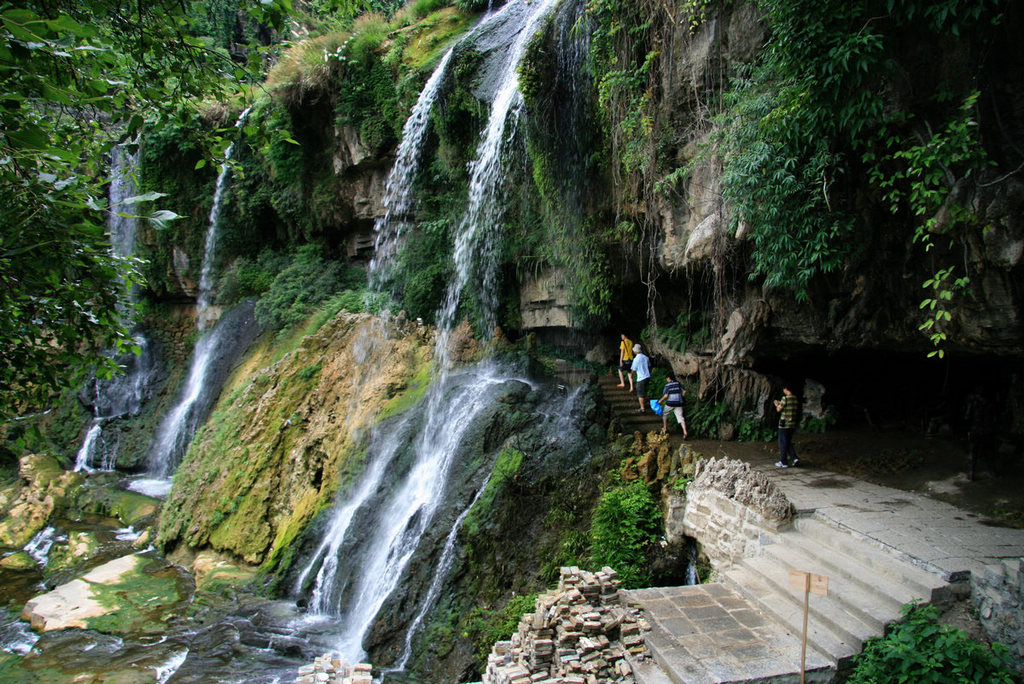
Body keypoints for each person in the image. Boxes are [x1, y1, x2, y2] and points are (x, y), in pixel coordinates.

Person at [964, 386, 996, 481]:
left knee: (974, 451)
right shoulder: (990, 402)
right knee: (988, 451)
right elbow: (994, 418)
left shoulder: (973, 402)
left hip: (976, 429)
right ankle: (991, 471)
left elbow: (967, 416)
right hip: (987, 430)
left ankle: (972, 472)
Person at [773, 383, 800, 467]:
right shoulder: (795, 398)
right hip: (792, 424)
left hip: (784, 425)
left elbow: (779, 409)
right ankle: (794, 458)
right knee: (788, 442)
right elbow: (789, 407)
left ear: (786, 389)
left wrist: (777, 404)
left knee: (782, 442)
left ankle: (783, 462)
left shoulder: (785, 398)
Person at [659, 372, 688, 438]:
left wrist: (660, 401)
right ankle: (685, 432)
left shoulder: (668, 385)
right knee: (680, 417)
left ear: (669, 378)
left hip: (670, 403)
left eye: (667, 378)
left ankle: (665, 428)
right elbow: (685, 391)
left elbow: (666, 395)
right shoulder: (678, 383)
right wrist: (682, 397)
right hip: (679, 403)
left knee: (665, 414)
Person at [630, 343, 650, 413]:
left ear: (635, 351)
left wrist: (631, 375)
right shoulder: (646, 357)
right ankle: (645, 404)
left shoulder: (636, 359)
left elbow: (633, 369)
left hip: (641, 378)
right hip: (647, 377)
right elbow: (649, 366)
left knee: (640, 393)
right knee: (644, 391)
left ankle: (642, 408)